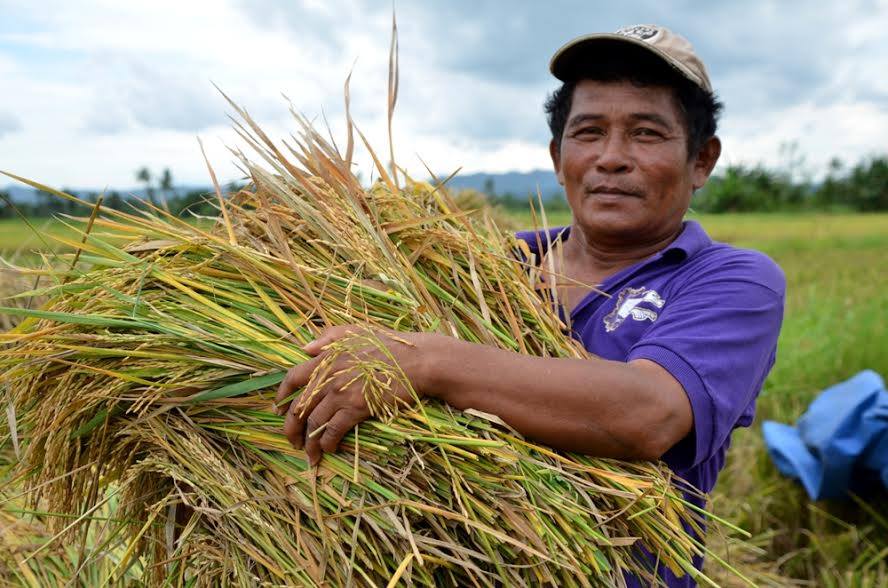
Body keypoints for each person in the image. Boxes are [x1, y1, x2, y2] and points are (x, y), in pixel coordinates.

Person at [275, 24, 786, 586]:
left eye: (646, 133)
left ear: (701, 160)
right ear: (557, 156)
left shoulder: (733, 281)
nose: (612, 157)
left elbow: (648, 414)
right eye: (589, 132)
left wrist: (425, 363)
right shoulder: (488, 264)